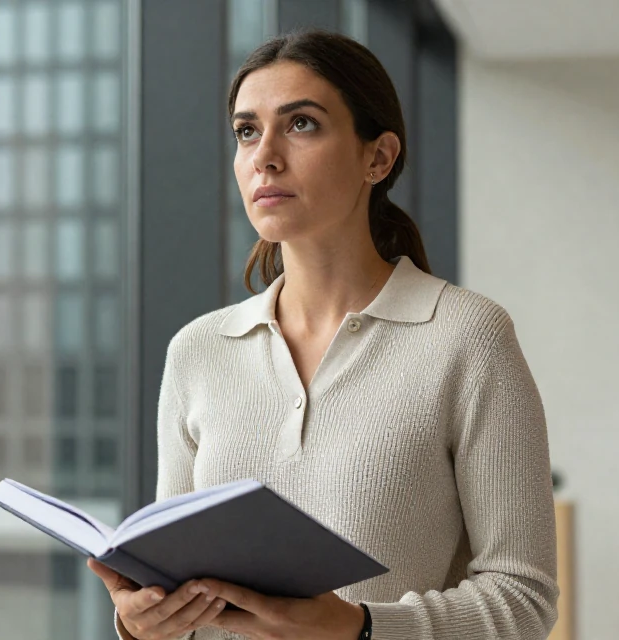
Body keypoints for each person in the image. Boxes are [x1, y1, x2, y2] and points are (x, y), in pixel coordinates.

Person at [88, 29, 558, 640]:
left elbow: (525, 597)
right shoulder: (198, 351)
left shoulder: (468, 338)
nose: (265, 156)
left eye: (301, 124)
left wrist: (362, 630)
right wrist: (143, 623)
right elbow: (174, 583)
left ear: (378, 157)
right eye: (247, 131)